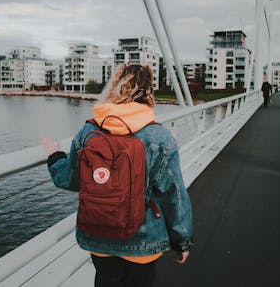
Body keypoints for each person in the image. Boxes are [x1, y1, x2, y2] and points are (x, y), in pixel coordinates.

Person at [42, 64, 193, 287]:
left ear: (114, 86)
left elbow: (70, 179)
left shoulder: (88, 132)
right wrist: (182, 242)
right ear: (149, 91)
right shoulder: (160, 137)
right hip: (144, 241)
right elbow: (174, 196)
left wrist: (55, 155)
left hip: (99, 236)